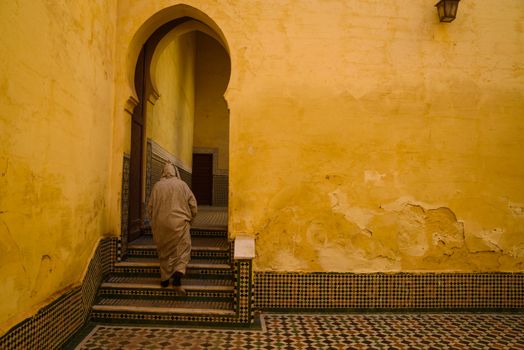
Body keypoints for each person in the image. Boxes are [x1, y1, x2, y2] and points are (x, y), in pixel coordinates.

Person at [147, 162, 197, 295]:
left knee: (164, 251)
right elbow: (193, 204)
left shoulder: (157, 186)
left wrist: (155, 221)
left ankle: (164, 279)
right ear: (175, 172)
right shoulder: (182, 185)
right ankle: (178, 276)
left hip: (161, 224)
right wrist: (191, 218)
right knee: (182, 249)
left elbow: (150, 208)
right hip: (180, 223)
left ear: (163, 172)